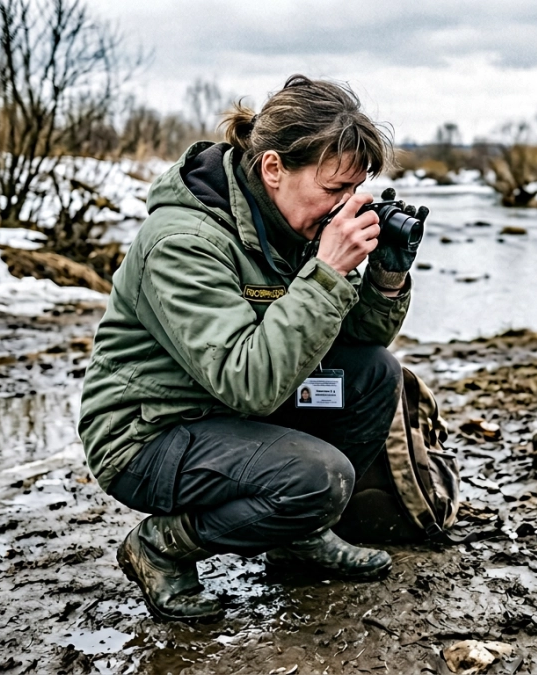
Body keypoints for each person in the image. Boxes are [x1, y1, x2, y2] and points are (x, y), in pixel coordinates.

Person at [77, 75, 417, 622]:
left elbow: (357, 341)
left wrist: (386, 277)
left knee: (374, 374)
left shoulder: (290, 224)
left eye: (352, 192)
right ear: (274, 168)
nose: (343, 208)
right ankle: (162, 546)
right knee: (316, 477)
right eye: (333, 191)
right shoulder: (183, 242)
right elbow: (250, 384)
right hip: (149, 434)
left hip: (227, 411)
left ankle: (299, 536)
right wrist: (327, 271)